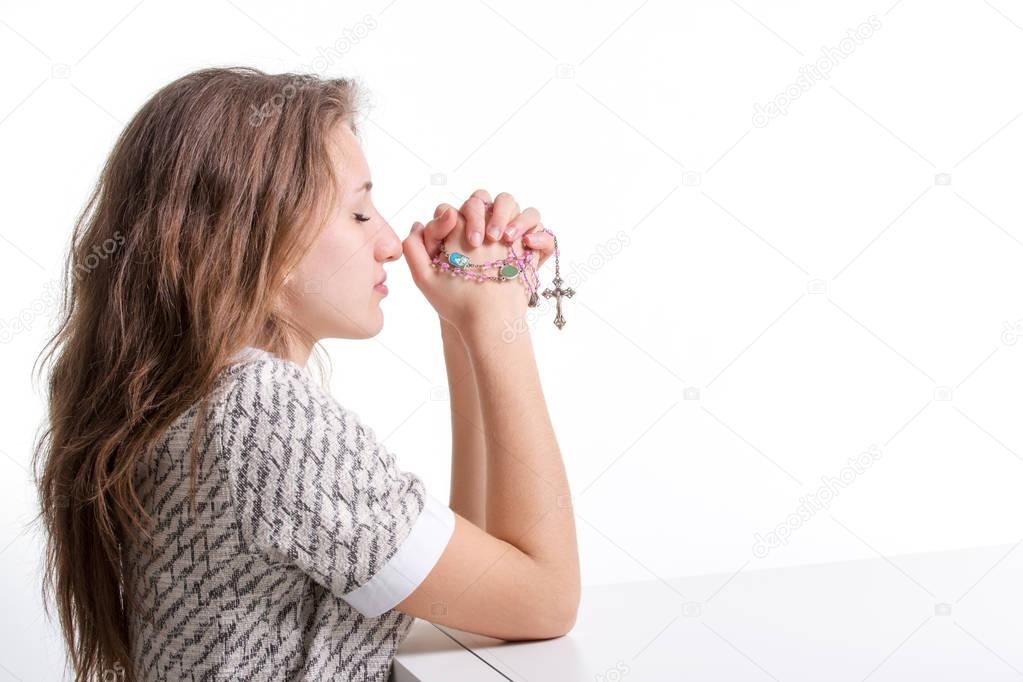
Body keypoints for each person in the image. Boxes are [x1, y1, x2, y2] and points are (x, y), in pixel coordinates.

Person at [32, 66, 580, 681]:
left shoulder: (198, 397)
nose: (394, 242)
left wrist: (463, 327)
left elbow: (485, 592)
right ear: (254, 239)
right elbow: (544, 599)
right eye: (358, 213)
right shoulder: (261, 413)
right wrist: (501, 319)